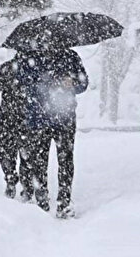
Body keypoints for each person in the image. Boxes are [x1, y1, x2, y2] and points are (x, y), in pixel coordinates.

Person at [18, 48, 88, 218]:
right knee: (39, 162)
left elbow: (83, 83)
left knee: (65, 160)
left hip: (64, 119)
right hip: (39, 119)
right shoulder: (30, 57)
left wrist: (72, 83)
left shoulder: (71, 56)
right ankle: (41, 202)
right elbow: (22, 82)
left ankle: (64, 203)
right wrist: (44, 83)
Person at [0, 54, 33, 200]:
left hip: (12, 118)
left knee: (9, 151)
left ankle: (14, 180)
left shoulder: (8, 68)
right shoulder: (31, 68)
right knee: (24, 153)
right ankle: (21, 183)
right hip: (23, 118)